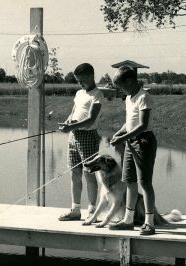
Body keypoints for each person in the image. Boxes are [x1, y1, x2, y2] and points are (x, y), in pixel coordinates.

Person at [109, 66, 157, 235]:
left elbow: (142, 125)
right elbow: (130, 121)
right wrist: (120, 133)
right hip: (130, 140)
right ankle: (128, 220)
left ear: (129, 81)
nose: (121, 90)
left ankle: (149, 223)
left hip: (144, 140)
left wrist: (123, 138)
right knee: (129, 180)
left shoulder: (144, 96)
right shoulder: (129, 97)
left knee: (144, 182)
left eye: (121, 86)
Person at [58, 63, 103, 222]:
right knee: (74, 173)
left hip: (88, 136)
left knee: (89, 173)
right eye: (78, 81)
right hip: (73, 136)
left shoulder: (97, 94)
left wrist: (72, 126)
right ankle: (75, 210)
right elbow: (73, 112)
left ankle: (92, 211)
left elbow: (91, 120)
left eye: (82, 80)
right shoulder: (79, 93)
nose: (80, 84)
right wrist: (67, 123)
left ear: (91, 76)